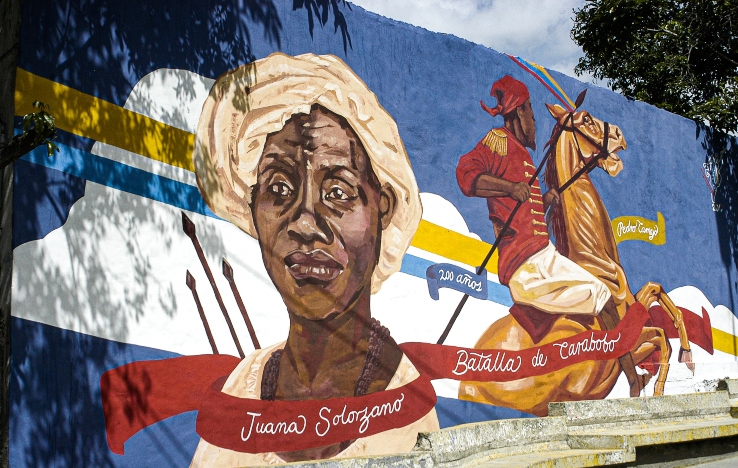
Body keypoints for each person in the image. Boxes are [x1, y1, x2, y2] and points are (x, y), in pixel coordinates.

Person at [190, 52, 439, 465]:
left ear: (385, 209)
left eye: (339, 192)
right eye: (278, 190)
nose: (305, 223)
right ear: (252, 210)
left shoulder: (405, 410)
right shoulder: (240, 389)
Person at [455, 75, 612, 342]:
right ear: (520, 110)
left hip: (545, 257)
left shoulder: (523, 154)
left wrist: (544, 199)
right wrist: (510, 188)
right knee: (598, 298)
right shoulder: (497, 141)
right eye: (532, 113)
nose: (535, 123)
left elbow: (523, 209)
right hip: (525, 266)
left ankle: (632, 378)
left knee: (604, 295)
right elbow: (466, 176)